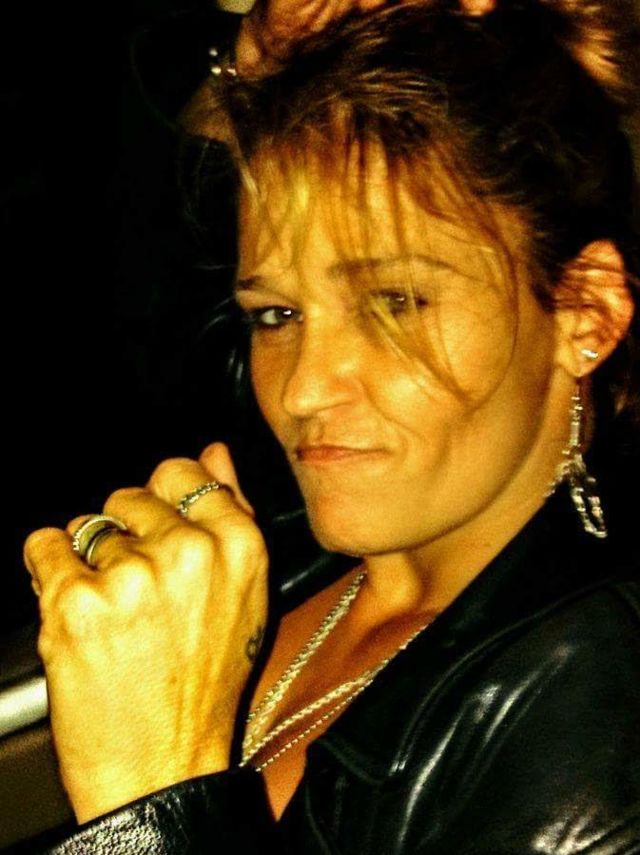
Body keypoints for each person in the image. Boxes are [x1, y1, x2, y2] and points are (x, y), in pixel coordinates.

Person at [20, 0, 640, 851]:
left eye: (395, 302)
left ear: (585, 314)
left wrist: (153, 783)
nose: (306, 387)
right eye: (276, 315)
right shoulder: (279, 563)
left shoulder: (593, 707)